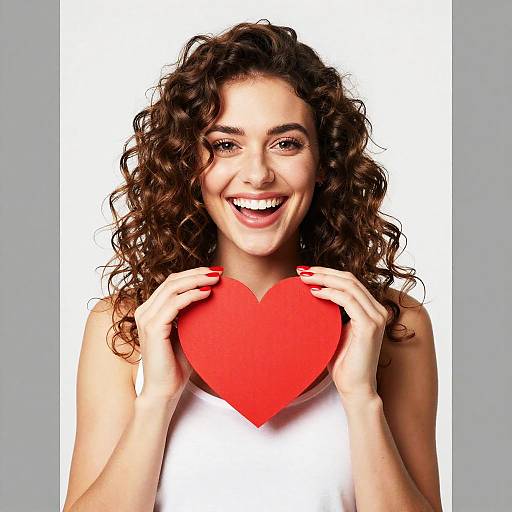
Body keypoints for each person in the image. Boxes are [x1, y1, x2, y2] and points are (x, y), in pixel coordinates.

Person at [63, 20, 443, 512]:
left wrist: (360, 399)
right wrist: (157, 398)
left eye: (286, 143)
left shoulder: (393, 326)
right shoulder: (125, 326)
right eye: (225, 145)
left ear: (323, 161)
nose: (258, 174)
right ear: (189, 164)